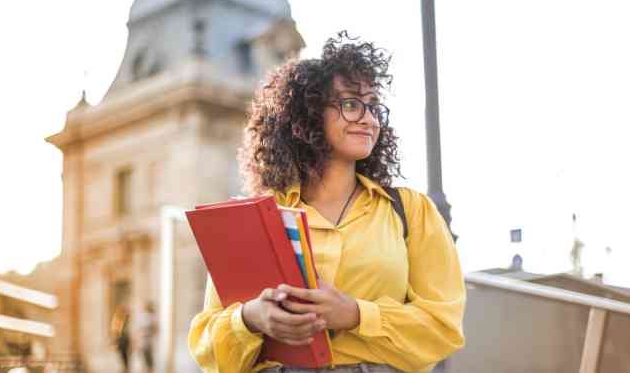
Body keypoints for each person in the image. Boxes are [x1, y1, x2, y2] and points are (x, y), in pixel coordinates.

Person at [188, 32, 466, 372]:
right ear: (307, 116)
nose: (368, 118)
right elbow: (208, 351)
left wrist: (355, 314)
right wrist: (250, 318)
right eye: (350, 104)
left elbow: (443, 328)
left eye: (373, 105)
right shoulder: (258, 219)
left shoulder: (410, 211)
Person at [137, 302, 157, 373]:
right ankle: (146, 369)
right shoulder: (143, 316)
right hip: (143, 339)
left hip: (149, 339)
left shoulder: (152, 317)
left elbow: (155, 328)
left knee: (149, 357)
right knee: (144, 355)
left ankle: (149, 370)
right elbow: (139, 328)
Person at [111, 305, 131, 373]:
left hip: (124, 339)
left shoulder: (124, 319)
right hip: (122, 339)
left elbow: (116, 330)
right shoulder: (118, 319)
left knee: (124, 354)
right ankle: (125, 368)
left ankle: (126, 368)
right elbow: (116, 330)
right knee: (123, 354)